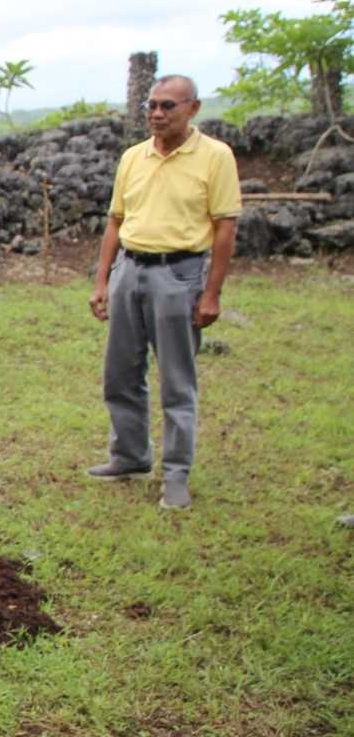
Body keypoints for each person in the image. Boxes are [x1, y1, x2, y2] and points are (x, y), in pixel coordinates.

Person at [87, 74, 240, 510]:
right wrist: (102, 281)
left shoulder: (215, 157)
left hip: (178, 275)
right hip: (129, 271)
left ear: (193, 108)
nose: (156, 113)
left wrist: (211, 294)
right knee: (120, 373)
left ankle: (175, 474)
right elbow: (116, 220)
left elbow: (225, 227)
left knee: (176, 380)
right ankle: (130, 456)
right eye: (151, 105)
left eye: (168, 106)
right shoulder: (133, 157)